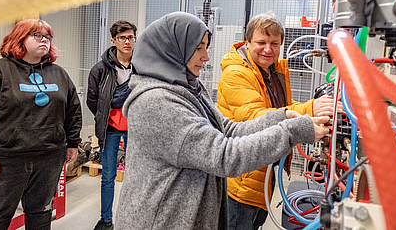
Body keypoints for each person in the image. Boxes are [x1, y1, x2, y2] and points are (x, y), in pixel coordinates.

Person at [115, 12, 329, 230]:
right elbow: (224, 156)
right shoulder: (157, 102)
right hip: (161, 220)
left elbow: (226, 128)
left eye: (205, 47)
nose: (206, 57)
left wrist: (279, 117)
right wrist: (292, 131)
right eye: (198, 48)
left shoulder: (188, 88)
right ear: (173, 49)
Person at [216, 12, 335, 230]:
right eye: (261, 42)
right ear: (248, 41)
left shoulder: (270, 71)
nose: (268, 50)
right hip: (242, 179)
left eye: (274, 43)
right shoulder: (236, 74)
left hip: (262, 172)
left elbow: (281, 106)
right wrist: (309, 109)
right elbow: (255, 116)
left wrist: (314, 107)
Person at [0, 19, 82, 230]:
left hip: (48, 157)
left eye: (48, 36)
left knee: (41, 213)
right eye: (38, 36)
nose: (44, 40)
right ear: (20, 38)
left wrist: (72, 141)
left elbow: (72, 109)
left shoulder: (59, 74)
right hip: (6, 160)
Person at [87, 20, 138, 230]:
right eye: (122, 38)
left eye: (131, 37)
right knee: (108, 176)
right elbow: (92, 100)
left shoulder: (142, 66)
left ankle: (134, 219)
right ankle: (106, 220)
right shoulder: (100, 69)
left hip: (135, 130)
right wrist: (105, 116)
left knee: (136, 176)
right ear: (113, 41)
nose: (127, 41)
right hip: (110, 130)